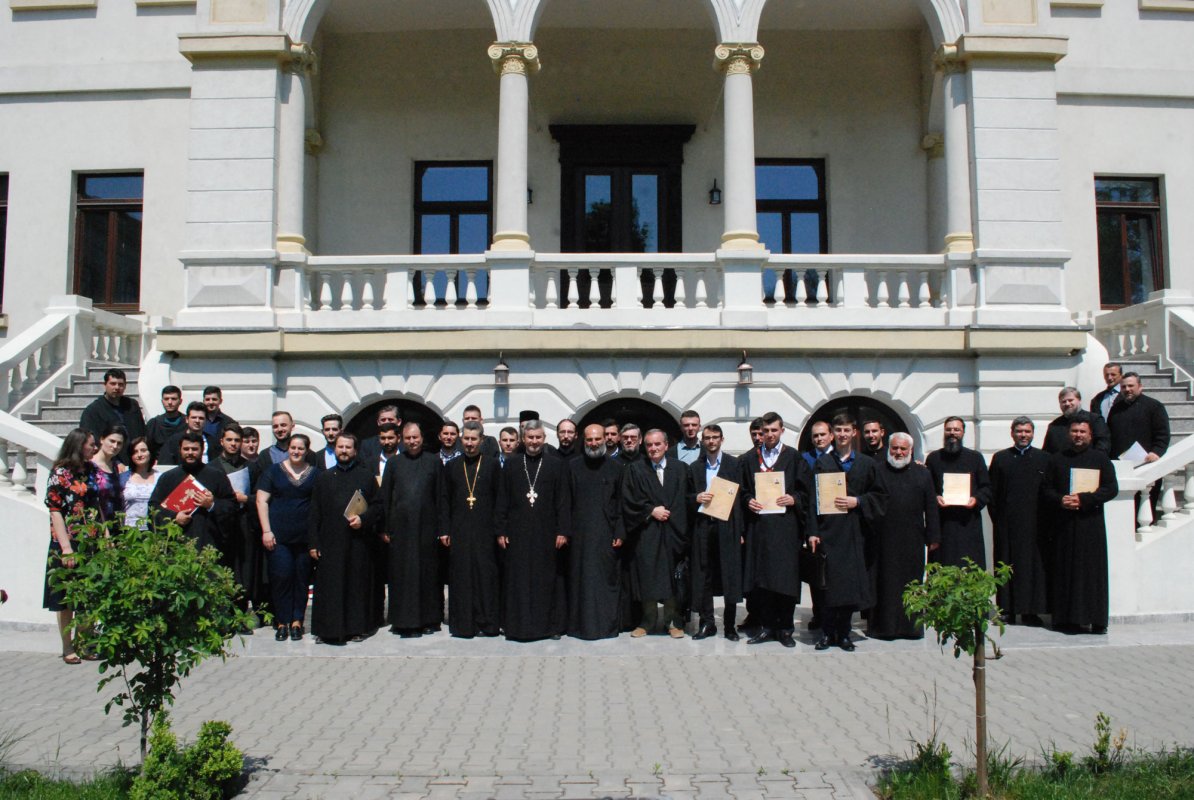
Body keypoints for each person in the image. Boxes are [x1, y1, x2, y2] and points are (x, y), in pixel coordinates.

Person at [809, 414, 885, 652]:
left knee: (849, 588)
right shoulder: (823, 463)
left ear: (854, 433)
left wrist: (858, 501)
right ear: (832, 434)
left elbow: (880, 496)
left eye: (846, 430)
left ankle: (843, 634)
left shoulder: (866, 464)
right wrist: (812, 531)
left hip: (855, 534)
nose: (842, 434)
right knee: (828, 587)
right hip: (829, 533)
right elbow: (813, 500)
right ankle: (827, 632)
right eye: (838, 430)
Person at [496, 419, 572, 641]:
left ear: (544, 439)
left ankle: (549, 627)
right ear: (523, 439)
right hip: (517, 533)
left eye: (538, 437)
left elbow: (563, 501)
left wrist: (563, 531)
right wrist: (501, 530)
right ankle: (518, 626)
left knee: (546, 580)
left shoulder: (555, 465)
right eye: (530, 437)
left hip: (547, 534)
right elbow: (502, 499)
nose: (534, 442)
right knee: (518, 580)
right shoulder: (511, 465)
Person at [739, 411, 810, 647]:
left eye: (773, 430)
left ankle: (785, 629)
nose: (769, 435)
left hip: (785, 528)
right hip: (759, 528)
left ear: (782, 431)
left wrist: (794, 499)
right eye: (765, 431)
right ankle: (766, 626)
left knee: (785, 580)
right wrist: (748, 500)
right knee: (763, 581)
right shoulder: (750, 459)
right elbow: (742, 490)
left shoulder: (794, 457)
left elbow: (806, 491)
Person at [1040, 418, 1117, 634]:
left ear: (1090, 435)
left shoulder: (1100, 459)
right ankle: (1066, 619)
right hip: (1064, 525)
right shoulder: (1057, 460)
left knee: (1093, 573)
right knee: (1065, 571)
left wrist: (1084, 499)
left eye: (1083, 431)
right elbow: (1046, 490)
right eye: (1075, 431)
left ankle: (1096, 619)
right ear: (1068, 434)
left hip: (1091, 525)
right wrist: (1060, 500)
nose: (1078, 435)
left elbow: (1111, 488)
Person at [308, 432, 383, 645]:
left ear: (355, 451)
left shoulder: (366, 476)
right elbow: (315, 512)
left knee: (356, 586)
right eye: (340, 447)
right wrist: (313, 542)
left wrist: (363, 519)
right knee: (330, 587)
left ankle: (357, 628)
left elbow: (378, 506)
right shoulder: (323, 477)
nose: (343, 451)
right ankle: (327, 630)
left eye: (348, 447)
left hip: (357, 542)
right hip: (330, 543)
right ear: (335, 449)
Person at [621, 429, 691, 639]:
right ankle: (648, 620)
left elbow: (686, 499)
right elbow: (629, 500)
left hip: (674, 532)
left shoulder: (680, 469)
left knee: (672, 578)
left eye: (657, 444)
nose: (653, 449)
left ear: (666, 445)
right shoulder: (635, 469)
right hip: (648, 533)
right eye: (649, 445)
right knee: (648, 577)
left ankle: (673, 621)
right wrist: (650, 510)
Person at [869, 432, 939, 639]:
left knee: (912, 584)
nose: (898, 453)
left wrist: (933, 536)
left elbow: (931, 506)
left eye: (903, 449)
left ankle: (911, 628)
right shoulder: (878, 471)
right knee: (885, 584)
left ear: (910, 450)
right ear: (888, 448)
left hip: (912, 540)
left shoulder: (922, 473)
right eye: (894, 448)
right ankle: (884, 629)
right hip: (883, 539)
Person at [437, 421, 502, 638]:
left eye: (474, 439)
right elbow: (444, 500)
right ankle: (463, 624)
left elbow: (500, 498)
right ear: (460, 440)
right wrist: (444, 529)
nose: (470, 444)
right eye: (466, 439)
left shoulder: (492, 465)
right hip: (460, 530)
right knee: (461, 578)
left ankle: (488, 622)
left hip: (485, 531)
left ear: (482, 441)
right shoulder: (452, 467)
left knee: (486, 577)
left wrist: (499, 529)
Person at [380, 421, 443, 637]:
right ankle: (403, 621)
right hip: (401, 531)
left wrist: (442, 528)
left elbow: (441, 497)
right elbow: (385, 497)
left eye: (415, 437)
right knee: (403, 576)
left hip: (427, 529)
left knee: (427, 575)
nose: (412, 442)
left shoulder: (434, 462)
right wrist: (385, 527)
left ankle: (429, 619)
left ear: (422, 438)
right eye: (408, 438)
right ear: (401, 440)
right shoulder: (394, 463)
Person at [255, 433, 319, 641]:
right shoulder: (273, 471)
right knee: (282, 577)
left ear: (307, 450)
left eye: (301, 448)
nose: (296, 451)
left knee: (301, 580)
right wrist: (266, 530)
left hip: (304, 537)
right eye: (293, 447)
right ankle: (282, 621)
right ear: (288, 448)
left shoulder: (315, 474)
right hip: (278, 536)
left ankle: (297, 622)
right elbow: (261, 501)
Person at [43, 429, 99, 664]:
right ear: (78, 446)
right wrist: (66, 547)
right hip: (67, 541)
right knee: (66, 599)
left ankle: (85, 642)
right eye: (90, 445)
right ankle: (68, 646)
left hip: (90, 540)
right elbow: (55, 510)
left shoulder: (91, 471)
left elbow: (97, 504)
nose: (94, 448)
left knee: (87, 596)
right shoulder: (60, 473)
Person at [566, 423, 626, 640]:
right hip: (579, 537)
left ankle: (606, 626)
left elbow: (621, 502)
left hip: (606, 536)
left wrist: (620, 532)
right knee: (580, 582)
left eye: (597, 439)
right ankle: (578, 627)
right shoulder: (573, 466)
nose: (593, 443)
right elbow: (566, 502)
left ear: (606, 439)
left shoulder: (616, 467)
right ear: (583, 441)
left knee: (605, 582)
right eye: (589, 440)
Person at [989, 417, 1050, 626]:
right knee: (1005, 565)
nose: (1023, 435)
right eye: (1019, 431)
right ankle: (1006, 610)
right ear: (1012, 433)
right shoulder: (1001, 459)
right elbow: (993, 493)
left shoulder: (1044, 459)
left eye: (1026, 431)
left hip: (1035, 524)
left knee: (1033, 568)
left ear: (1033, 433)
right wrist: (999, 520)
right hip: (1007, 524)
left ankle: (1030, 611)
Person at [688, 424, 744, 641]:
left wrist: (740, 531)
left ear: (722, 439)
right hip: (703, 527)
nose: (711, 441)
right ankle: (707, 623)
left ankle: (729, 626)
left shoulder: (733, 464)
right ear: (703, 441)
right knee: (704, 575)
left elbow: (740, 499)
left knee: (729, 574)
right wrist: (695, 498)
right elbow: (685, 497)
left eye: (715, 438)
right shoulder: (695, 467)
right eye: (707, 438)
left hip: (727, 526)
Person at [150, 431, 237, 553]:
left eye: (194, 449)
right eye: (186, 449)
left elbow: (232, 506)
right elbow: (153, 508)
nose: (190, 453)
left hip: (208, 544)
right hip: (175, 546)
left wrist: (212, 505)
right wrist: (174, 517)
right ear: (180, 450)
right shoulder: (168, 477)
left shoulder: (216, 476)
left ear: (202, 450)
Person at [925, 416, 992, 568]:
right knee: (942, 568)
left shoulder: (975, 458)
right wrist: (935, 497)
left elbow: (986, 487)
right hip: (943, 524)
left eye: (956, 429)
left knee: (969, 566)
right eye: (948, 429)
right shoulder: (934, 458)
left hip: (968, 523)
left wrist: (976, 500)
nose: (952, 433)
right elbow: (927, 489)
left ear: (963, 432)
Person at [1107, 371, 1171, 517]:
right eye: (1124, 387)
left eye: (1131, 386)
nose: (1127, 389)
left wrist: (1156, 452)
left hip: (1146, 464)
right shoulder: (1116, 409)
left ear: (1140, 387)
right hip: (1122, 467)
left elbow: (1162, 435)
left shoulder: (1154, 406)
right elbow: (1110, 435)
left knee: (1145, 511)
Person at [210, 423, 256, 617]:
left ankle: (240, 614)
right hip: (219, 524)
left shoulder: (250, 467)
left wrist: (247, 499)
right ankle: (221, 614)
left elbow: (259, 495)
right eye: (229, 440)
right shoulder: (212, 467)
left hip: (243, 522)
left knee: (243, 569)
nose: (233, 444)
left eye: (237, 440)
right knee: (222, 567)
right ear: (221, 441)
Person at [800, 419, 833, 630]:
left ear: (831, 436)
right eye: (815, 436)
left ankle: (833, 614)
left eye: (822, 435)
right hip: (812, 522)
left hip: (835, 524)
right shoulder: (805, 459)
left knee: (834, 573)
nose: (819, 439)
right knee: (815, 573)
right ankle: (818, 613)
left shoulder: (839, 458)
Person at [79, 368, 145, 464]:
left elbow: (142, 432)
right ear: (105, 385)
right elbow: (93, 441)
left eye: (121, 384)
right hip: (109, 463)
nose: (117, 387)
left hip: (136, 459)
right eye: (113, 383)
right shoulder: (93, 411)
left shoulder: (132, 405)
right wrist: (115, 462)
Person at [1044, 387, 1109, 455]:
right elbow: (1047, 452)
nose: (1067, 404)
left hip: (1087, 464)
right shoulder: (1054, 426)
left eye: (1070, 400)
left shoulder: (1095, 420)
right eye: (1063, 401)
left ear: (1079, 400)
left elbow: (1103, 445)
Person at [158, 402, 218, 466]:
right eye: (194, 417)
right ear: (186, 419)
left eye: (201, 418)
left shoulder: (213, 441)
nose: (197, 421)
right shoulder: (173, 441)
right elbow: (165, 465)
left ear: (206, 421)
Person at [121, 436, 160, 530]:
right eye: (135, 452)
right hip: (129, 531)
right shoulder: (123, 478)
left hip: (154, 531)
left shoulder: (161, 478)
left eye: (143, 450)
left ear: (150, 452)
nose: (139, 454)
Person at [90, 424, 126, 524]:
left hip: (115, 522)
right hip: (96, 524)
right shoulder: (89, 465)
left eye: (119, 443)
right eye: (112, 441)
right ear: (102, 439)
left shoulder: (115, 466)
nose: (115, 446)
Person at [144, 385, 185, 462]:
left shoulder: (187, 422)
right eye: (166, 399)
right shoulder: (154, 423)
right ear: (162, 401)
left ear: (180, 401)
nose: (170, 402)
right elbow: (147, 448)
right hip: (160, 466)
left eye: (173, 399)